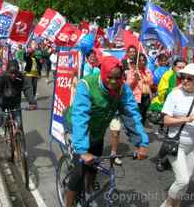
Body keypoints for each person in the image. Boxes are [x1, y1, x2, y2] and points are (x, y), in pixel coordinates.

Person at [64, 56, 149, 207]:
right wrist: (82, 150)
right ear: (103, 74)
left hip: (97, 132)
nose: (114, 82)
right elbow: (80, 118)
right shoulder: (87, 85)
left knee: (93, 167)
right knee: (78, 172)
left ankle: (87, 192)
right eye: (110, 77)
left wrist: (141, 143)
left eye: (117, 78)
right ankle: (68, 204)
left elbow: (131, 116)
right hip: (76, 128)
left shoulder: (123, 89)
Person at [160, 63, 194, 207]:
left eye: (190, 78)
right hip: (176, 143)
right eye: (183, 77)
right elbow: (166, 121)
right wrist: (187, 119)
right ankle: (168, 202)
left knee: (187, 178)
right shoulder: (174, 94)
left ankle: (176, 204)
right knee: (183, 180)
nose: (185, 80)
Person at [0, 60, 34, 154]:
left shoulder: (21, 77)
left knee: (19, 124)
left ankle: (23, 148)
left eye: (16, 73)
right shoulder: (0, 77)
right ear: (6, 71)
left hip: (15, 103)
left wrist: (32, 102)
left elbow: (27, 89)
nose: (13, 76)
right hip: (1, 103)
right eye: (11, 73)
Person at [147, 58, 187, 135]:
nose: (181, 70)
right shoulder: (168, 75)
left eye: (183, 68)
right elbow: (161, 92)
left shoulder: (186, 77)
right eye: (179, 67)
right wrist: (174, 89)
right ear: (174, 67)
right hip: (164, 106)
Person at [126, 53, 153, 124]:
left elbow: (151, 83)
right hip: (137, 98)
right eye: (140, 60)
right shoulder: (132, 72)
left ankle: (141, 130)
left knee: (144, 115)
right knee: (137, 116)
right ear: (136, 61)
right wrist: (135, 79)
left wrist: (146, 79)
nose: (143, 62)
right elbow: (128, 86)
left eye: (144, 60)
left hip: (147, 96)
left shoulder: (147, 71)